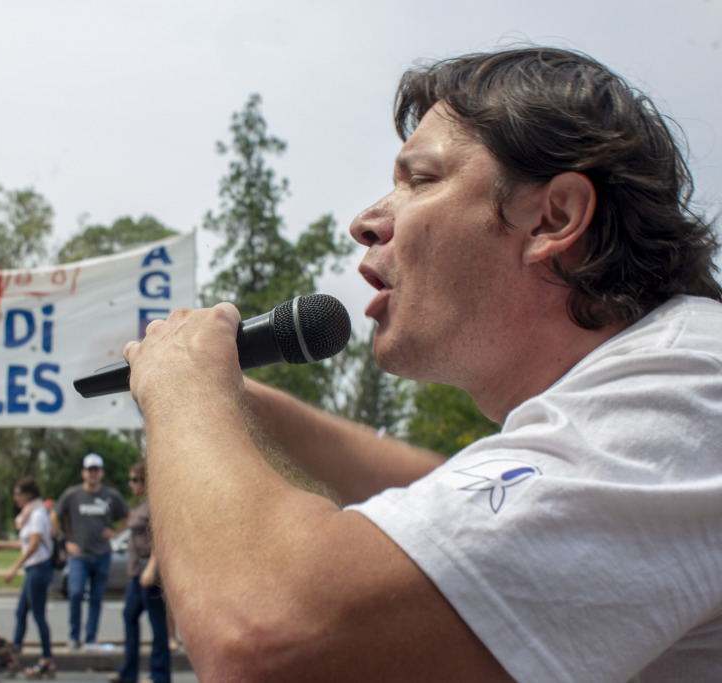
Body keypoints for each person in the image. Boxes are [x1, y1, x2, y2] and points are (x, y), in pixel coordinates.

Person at [120, 46, 722, 681]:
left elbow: (267, 635)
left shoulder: (690, 391)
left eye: (422, 180)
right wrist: (230, 392)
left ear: (555, 217)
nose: (366, 222)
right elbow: (431, 499)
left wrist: (184, 392)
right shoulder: (664, 386)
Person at [53, 453, 129, 649]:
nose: (93, 474)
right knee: (76, 594)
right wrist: (64, 541)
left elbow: (128, 515)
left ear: (101, 473)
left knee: (96, 598)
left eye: (96, 470)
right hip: (79, 556)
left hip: (102, 554)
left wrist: (115, 533)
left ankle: (90, 637)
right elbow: (55, 516)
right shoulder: (73, 494)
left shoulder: (111, 496)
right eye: (89, 470)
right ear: (83, 473)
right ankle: (73, 636)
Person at [109, 460, 170, 683]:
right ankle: (129, 672)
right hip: (136, 573)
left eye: (134, 480)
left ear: (145, 481)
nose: (131, 484)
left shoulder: (155, 504)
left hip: (149, 572)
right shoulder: (142, 504)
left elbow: (161, 540)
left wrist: (152, 569)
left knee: (158, 626)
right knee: (129, 616)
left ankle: (160, 675)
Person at [0, 477, 56, 679]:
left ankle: (46, 659)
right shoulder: (29, 514)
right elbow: (27, 543)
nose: (15, 498)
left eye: (18, 494)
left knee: (37, 615)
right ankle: (14, 658)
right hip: (33, 568)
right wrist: (5, 546)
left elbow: (35, 544)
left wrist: (14, 567)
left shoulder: (37, 514)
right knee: (21, 613)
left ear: (28, 495)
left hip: (39, 568)